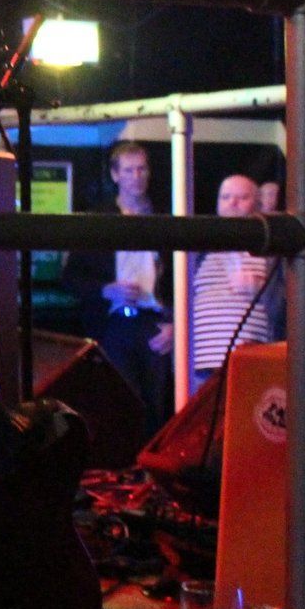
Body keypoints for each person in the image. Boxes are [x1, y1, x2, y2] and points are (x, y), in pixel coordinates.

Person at [61, 141, 171, 429]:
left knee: (156, 405)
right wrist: (105, 290)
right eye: (130, 170)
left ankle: (151, 468)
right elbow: (70, 278)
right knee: (121, 404)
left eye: (142, 169)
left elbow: (184, 279)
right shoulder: (98, 221)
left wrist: (176, 323)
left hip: (155, 324)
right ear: (115, 175)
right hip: (112, 325)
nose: (137, 176)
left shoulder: (166, 219)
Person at [189, 174, 282, 385]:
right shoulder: (200, 250)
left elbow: (287, 307)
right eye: (225, 197)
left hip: (252, 362)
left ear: (257, 205)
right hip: (202, 365)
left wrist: (259, 288)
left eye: (242, 197)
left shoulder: (270, 252)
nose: (232, 203)